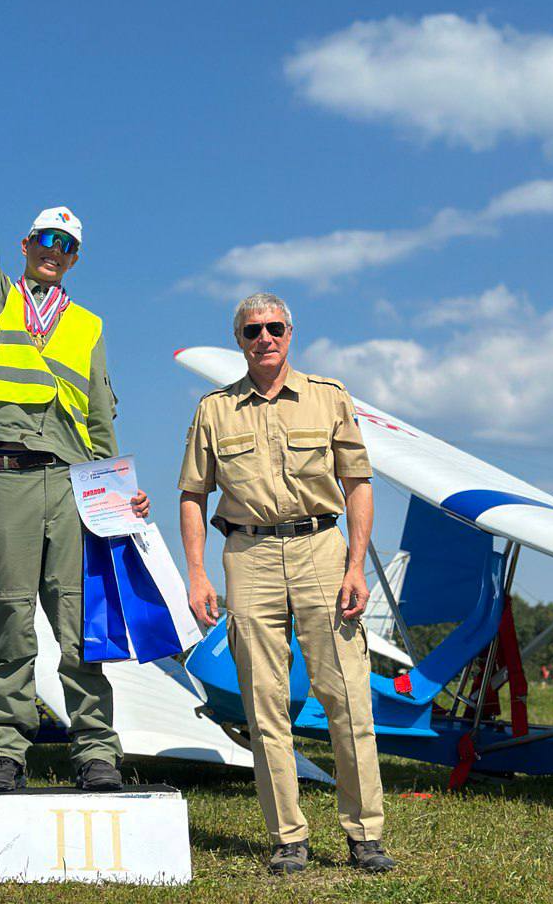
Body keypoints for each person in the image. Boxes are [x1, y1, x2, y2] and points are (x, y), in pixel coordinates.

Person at [0, 90, 149, 792]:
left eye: (68, 246)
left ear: (75, 258)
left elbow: (102, 421)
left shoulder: (88, 325)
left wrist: (121, 501)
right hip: (6, 480)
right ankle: (3, 749)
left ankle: (96, 752)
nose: (54, 252)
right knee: (8, 619)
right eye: (44, 241)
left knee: (80, 623)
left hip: (75, 488)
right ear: (26, 247)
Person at [178, 292, 395, 874]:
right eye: (252, 331)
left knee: (346, 694)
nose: (265, 338)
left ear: (290, 333)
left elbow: (358, 483)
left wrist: (355, 566)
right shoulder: (213, 410)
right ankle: (288, 838)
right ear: (239, 341)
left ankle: (365, 833)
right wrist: (197, 574)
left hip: (323, 551)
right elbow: (193, 495)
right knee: (264, 703)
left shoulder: (329, 398)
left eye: (274, 327)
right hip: (246, 556)